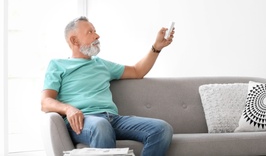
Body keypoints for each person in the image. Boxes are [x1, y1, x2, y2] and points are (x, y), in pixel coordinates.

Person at [41, 16, 175, 156]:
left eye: (95, 31)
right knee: (101, 125)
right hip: (82, 121)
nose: (97, 35)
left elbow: (137, 71)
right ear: (74, 40)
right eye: (90, 32)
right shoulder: (58, 65)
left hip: (112, 119)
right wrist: (68, 109)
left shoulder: (102, 64)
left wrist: (156, 47)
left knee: (162, 129)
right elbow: (45, 102)